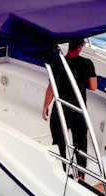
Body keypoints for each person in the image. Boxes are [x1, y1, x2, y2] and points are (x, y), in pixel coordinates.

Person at [42, 38, 98, 169]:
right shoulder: (87, 63)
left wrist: (45, 106)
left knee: (59, 143)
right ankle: (81, 176)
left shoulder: (57, 63)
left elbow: (52, 87)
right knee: (81, 145)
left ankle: (61, 171)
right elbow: (93, 86)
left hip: (61, 109)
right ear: (80, 46)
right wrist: (81, 83)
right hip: (78, 110)